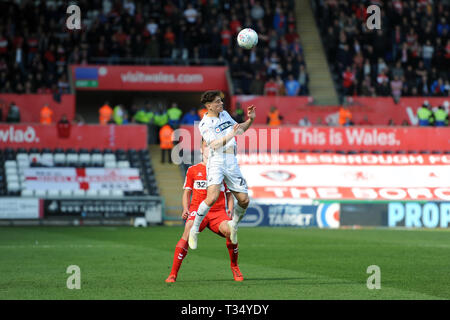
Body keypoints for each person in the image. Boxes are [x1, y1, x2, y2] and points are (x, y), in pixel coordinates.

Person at [165, 140, 243, 283]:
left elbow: (229, 193)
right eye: (207, 146)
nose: (210, 149)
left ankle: (235, 266)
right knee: (188, 229)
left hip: (217, 213)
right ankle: (173, 274)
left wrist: (230, 209)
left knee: (231, 231)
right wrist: (186, 208)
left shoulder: (222, 170)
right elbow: (186, 193)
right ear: (201, 149)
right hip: (197, 209)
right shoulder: (193, 170)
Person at [188, 90, 256, 250]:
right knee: (211, 198)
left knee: (244, 200)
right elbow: (214, 144)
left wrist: (250, 120)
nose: (221, 104)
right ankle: (194, 229)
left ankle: (233, 225)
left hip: (231, 160)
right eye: (218, 102)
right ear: (209, 106)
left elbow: (239, 130)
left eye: (221, 101)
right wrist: (231, 135)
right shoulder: (204, 124)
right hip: (217, 160)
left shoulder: (224, 114)